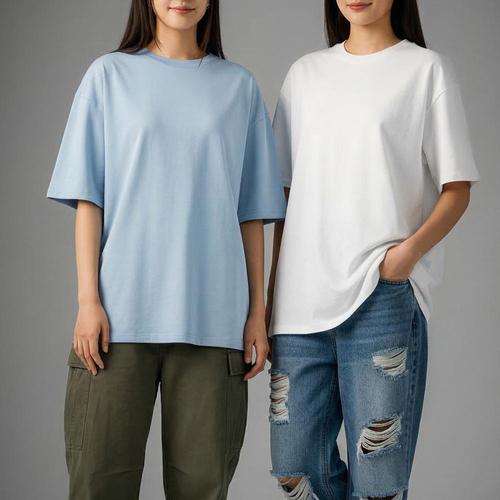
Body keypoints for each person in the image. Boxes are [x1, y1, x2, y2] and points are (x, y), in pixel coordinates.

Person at [47, 1, 286, 499]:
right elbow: (90, 199)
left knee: (203, 489)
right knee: (98, 485)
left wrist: (256, 313)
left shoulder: (239, 88)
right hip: (116, 321)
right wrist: (88, 301)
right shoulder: (108, 76)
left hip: (213, 323)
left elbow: (250, 214)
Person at [266, 1, 479, 499]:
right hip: (298, 305)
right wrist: (271, 296)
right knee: (296, 470)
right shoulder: (304, 75)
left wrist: (404, 257)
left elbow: (457, 188)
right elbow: (285, 196)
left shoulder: (425, 70)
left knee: (377, 482)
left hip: (379, 297)